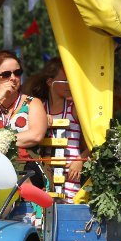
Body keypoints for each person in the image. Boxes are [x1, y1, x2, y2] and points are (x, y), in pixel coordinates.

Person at [0, 50, 48, 150]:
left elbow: (36, 135)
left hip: (23, 163)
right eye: (6, 74)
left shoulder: (33, 103)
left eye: (17, 73)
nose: (13, 78)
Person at [35, 59, 87, 201]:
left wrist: (80, 160)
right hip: (46, 175)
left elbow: (92, 142)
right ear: (50, 82)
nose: (69, 85)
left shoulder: (74, 107)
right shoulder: (39, 107)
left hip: (71, 174)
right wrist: (41, 118)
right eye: (64, 81)